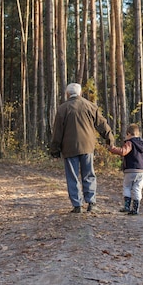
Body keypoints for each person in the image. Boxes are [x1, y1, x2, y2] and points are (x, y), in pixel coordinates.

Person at [49, 83, 114, 213]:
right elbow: (102, 124)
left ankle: (77, 205)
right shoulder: (90, 106)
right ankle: (91, 202)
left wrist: (55, 150)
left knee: (72, 176)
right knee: (89, 174)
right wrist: (109, 139)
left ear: (68, 94)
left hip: (69, 147)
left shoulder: (62, 109)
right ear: (80, 93)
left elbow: (57, 132)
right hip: (87, 146)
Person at [107, 123, 143, 215]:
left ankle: (127, 206)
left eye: (126, 135)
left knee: (127, 186)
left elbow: (123, 152)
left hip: (131, 169)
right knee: (137, 188)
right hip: (142, 171)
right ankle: (135, 209)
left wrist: (112, 149)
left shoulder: (130, 143)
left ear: (129, 134)